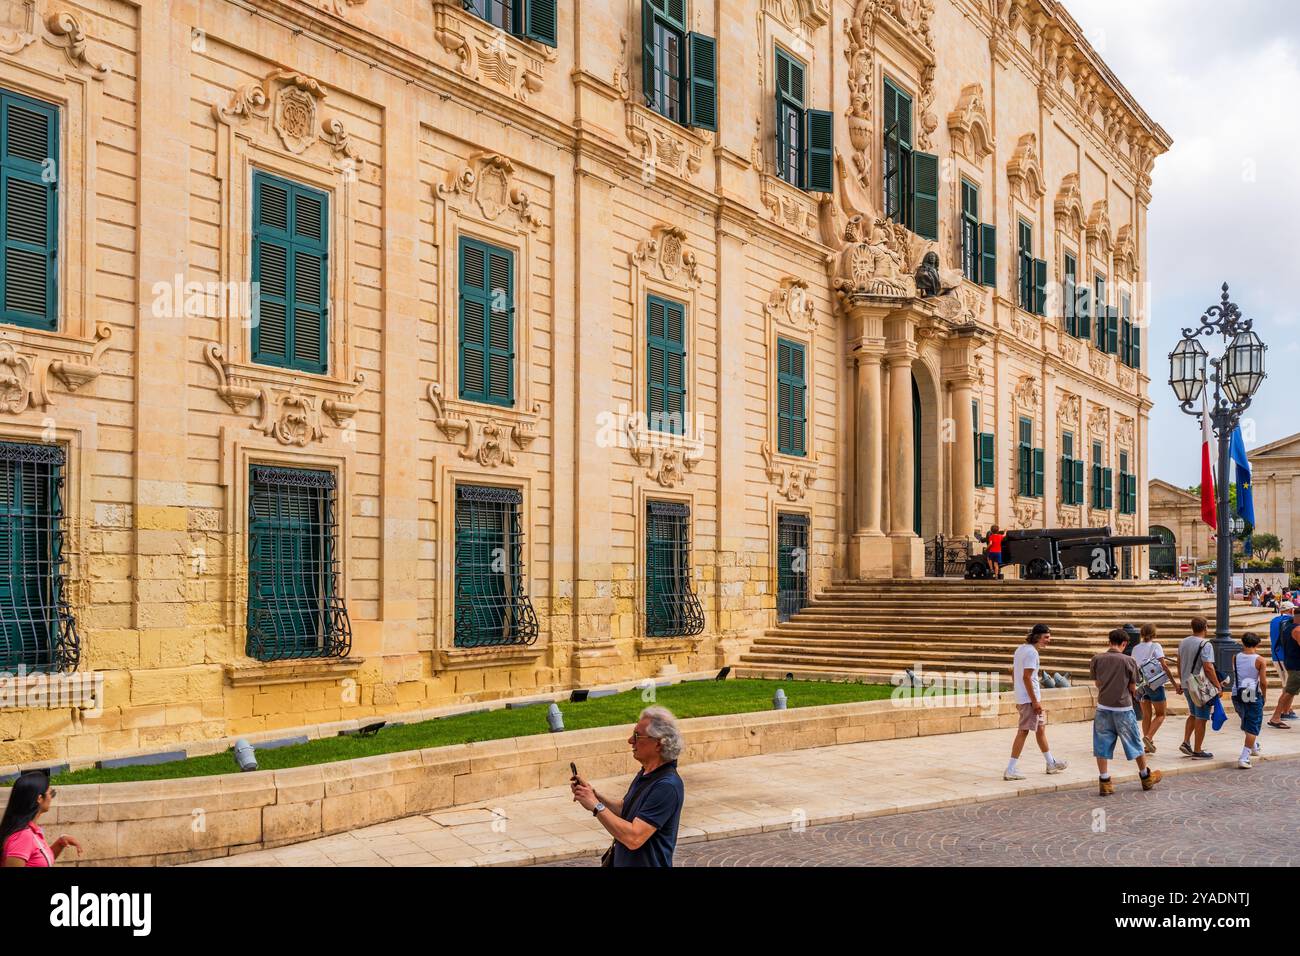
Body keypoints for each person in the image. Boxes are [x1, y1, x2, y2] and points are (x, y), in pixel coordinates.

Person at [571, 706, 685, 867]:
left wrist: (596, 807)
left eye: (637, 736)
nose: (630, 741)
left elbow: (634, 837)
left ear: (659, 743)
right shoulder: (646, 773)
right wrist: (593, 795)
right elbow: (627, 808)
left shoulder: (667, 786)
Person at [1091, 628, 1162, 795]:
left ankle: (1105, 781)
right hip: (1123, 708)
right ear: (1124, 644)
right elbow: (1132, 687)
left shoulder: (1096, 659)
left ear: (1109, 641)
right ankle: (1145, 777)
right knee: (1135, 743)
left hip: (1103, 707)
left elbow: (1097, 684)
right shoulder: (1129, 661)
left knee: (1102, 744)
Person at [1004, 624, 1068, 780]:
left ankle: (1051, 763)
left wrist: (1018, 691)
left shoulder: (1021, 649)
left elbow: (1014, 672)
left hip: (1025, 697)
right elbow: (1026, 677)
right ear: (1037, 636)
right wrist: (1034, 701)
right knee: (1023, 731)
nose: (1049, 640)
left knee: (1040, 729)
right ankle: (1010, 769)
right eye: (1046, 637)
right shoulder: (1032, 653)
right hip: (1029, 700)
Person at [1, 771, 82, 867]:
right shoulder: (23, 837)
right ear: (39, 798)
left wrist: (60, 843)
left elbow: (38, 862)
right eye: (50, 793)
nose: (51, 797)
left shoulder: (31, 830)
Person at [1178, 617, 1224, 758]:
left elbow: (1179, 663)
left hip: (1187, 684)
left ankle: (1186, 742)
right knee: (1202, 717)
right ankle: (1198, 749)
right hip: (1199, 686)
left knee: (1193, 714)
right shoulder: (1205, 644)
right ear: (1206, 627)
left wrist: (1181, 681)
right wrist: (1218, 686)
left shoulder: (1183, 642)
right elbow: (1208, 667)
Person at [1132, 622, 1181, 753]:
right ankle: (1148, 737)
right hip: (1155, 684)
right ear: (1154, 634)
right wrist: (1175, 684)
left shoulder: (1135, 648)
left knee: (1146, 715)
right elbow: (1164, 666)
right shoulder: (1156, 646)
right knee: (1160, 714)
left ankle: (1148, 744)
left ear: (1141, 634)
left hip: (1141, 685)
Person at [1232, 632, 1267, 769]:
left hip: (1237, 692)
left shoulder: (1235, 657)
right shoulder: (1260, 660)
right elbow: (1263, 682)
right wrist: (1264, 695)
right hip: (1251, 692)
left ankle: (1253, 746)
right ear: (1257, 644)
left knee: (1247, 720)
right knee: (1253, 725)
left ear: (1243, 642)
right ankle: (1244, 756)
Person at [1267, 605, 1300, 730]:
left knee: (1289, 692)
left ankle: (1278, 716)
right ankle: (1276, 717)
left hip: (1291, 663)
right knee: (1288, 692)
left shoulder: (1288, 627)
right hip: (1297, 667)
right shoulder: (1297, 630)